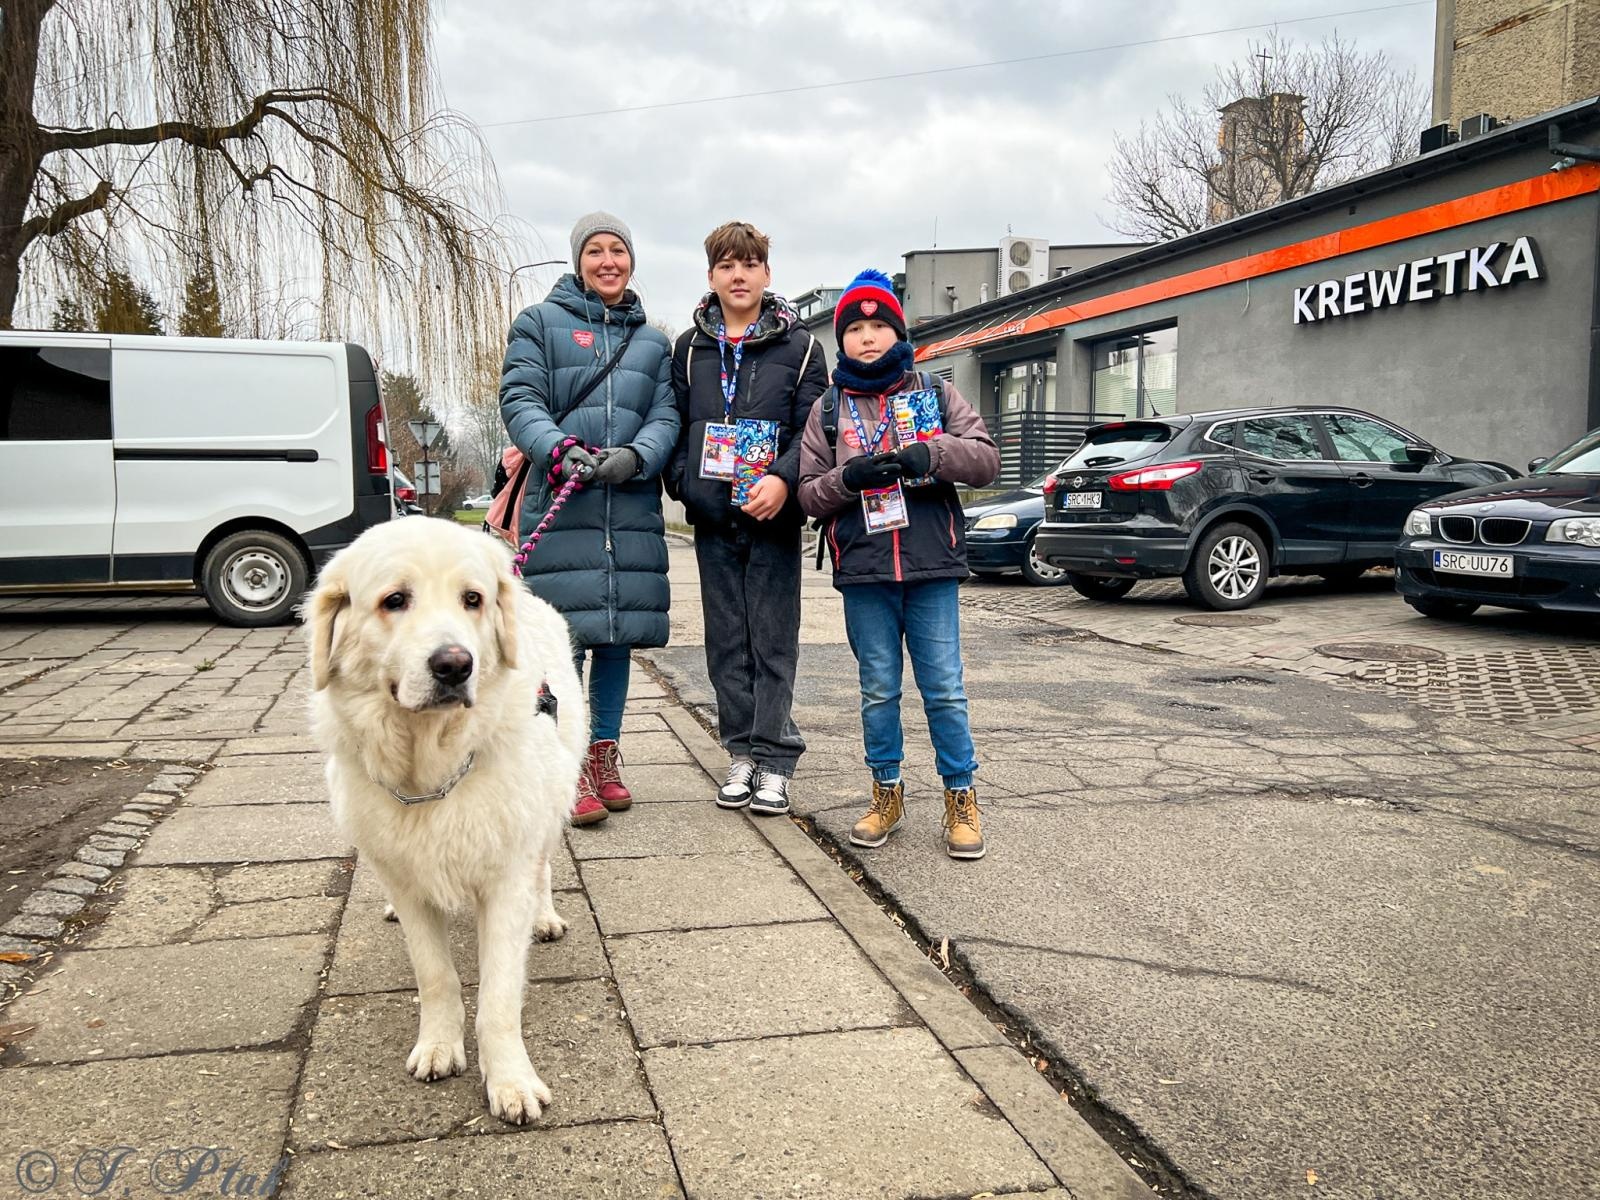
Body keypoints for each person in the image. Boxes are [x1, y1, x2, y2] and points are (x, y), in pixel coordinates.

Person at [797, 269, 1000, 859]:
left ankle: (960, 796)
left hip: (931, 565)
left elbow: (985, 460)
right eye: (855, 328)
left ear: (897, 332)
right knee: (878, 690)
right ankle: (886, 791)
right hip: (863, 570)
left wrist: (929, 453)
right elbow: (809, 492)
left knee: (944, 689)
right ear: (842, 339)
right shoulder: (829, 409)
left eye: (878, 325)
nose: (867, 337)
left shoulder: (935, 392)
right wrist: (847, 478)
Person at [500, 212, 680, 826]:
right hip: (561, 503)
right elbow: (520, 399)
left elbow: (666, 416)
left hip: (627, 508)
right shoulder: (538, 324)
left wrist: (636, 457)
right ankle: (566, 758)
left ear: (632, 260)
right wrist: (559, 448)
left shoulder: (654, 343)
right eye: (596, 251)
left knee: (615, 636)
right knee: (562, 638)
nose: (609, 261)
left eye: (619, 251)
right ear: (577, 260)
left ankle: (604, 753)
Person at [667, 221, 826, 816]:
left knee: (773, 640)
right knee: (726, 641)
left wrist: (784, 479)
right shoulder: (689, 348)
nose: (739, 275)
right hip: (712, 519)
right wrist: (685, 485)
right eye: (727, 265)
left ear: (767, 273)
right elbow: (675, 423)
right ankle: (740, 752)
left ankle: (775, 758)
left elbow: (814, 431)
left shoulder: (803, 347)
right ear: (711, 276)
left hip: (772, 517)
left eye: (750, 264)